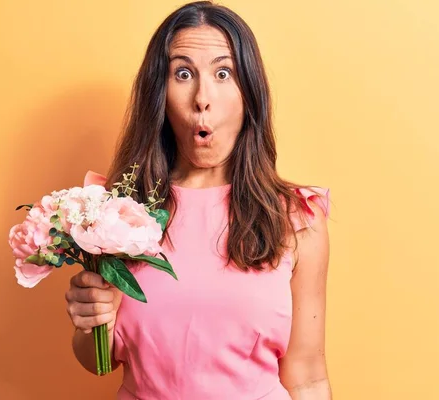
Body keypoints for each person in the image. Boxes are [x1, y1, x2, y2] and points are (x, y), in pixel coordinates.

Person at [64, 1, 332, 399]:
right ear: (160, 94)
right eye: (183, 73)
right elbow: (96, 361)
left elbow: (307, 377)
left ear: (249, 95)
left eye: (224, 73)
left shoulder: (296, 219)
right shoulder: (115, 213)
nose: (202, 97)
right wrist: (90, 323)